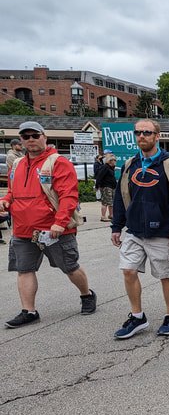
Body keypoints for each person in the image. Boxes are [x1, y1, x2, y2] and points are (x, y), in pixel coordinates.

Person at [0, 121, 96, 328]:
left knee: (70, 267)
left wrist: (60, 223)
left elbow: (69, 196)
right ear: (21, 141)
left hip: (54, 229)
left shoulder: (58, 162)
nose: (31, 140)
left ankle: (86, 294)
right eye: (26, 137)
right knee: (24, 269)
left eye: (35, 135)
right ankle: (29, 311)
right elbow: (11, 191)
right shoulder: (16, 164)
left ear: (44, 137)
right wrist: (6, 201)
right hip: (23, 229)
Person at [110, 118, 169, 339]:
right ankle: (137, 317)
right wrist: (116, 226)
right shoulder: (129, 165)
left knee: (165, 275)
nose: (141, 136)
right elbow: (120, 196)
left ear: (157, 136)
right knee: (128, 270)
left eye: (147, 132)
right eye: (138, 133)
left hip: (162, 231)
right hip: (134, 230)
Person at [94, 153, 118, 222]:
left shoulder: (111, 168)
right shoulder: (105, 167)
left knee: (111, 202)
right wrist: (97, 186)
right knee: (105, 202)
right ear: (109, 161)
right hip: (106, 187)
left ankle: (111, 215)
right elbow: (99, 176)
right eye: (113, 160)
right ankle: (103, 216)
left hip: (112, 186)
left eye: (115, 160)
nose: (114, 161)